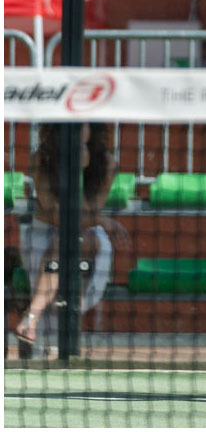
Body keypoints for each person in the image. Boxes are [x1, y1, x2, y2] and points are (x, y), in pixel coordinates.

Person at [15, 123, 129, 355]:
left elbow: (88, 214)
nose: (78, 126)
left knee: (77, 238)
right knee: (64, 241)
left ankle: (32, 317)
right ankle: (48, 332)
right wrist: (104, 220)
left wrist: (79, 169)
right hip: (42, 235)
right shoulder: (41, 158)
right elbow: (56, 214)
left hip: (88, 237)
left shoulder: (106, 163)